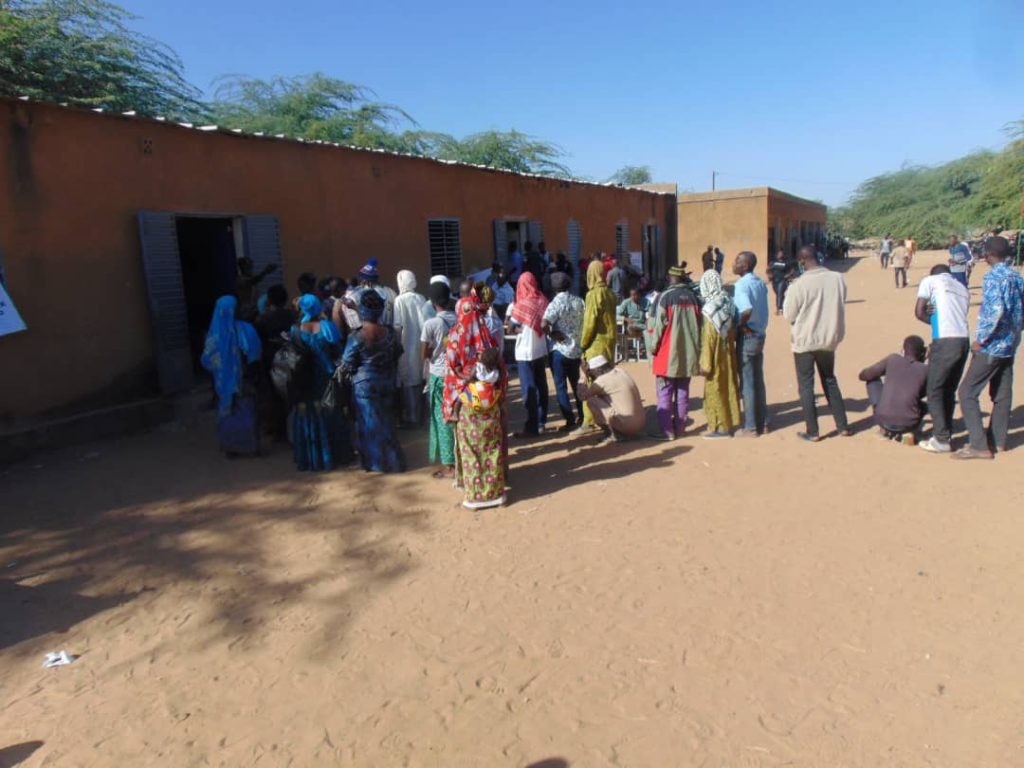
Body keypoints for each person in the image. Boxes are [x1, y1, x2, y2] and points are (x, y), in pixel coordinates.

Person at [953, 236, 1024, 459]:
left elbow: (995, 311)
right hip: (1010, 344)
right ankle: (999, 440)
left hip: (992, 346)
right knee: (1002, 394)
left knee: (966, 392)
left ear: (988, 255)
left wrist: (981, 340)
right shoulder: (1016, 275)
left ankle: (979, 445)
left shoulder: (993, 277)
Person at [444, 290, 507, 509]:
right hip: (491, 400)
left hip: (467, 403)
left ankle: (474, 495)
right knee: (492, 446)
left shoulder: (454, 337)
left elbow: (451, 372)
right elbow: (500, 368)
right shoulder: (487, 337)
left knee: (470, 448)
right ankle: (496, 493)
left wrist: (460, 390)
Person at [783, 246, 851, 442]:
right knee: (829, 379)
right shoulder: (838, 278)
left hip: (805, 340)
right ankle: (842, 426)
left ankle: (813, 431)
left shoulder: (798, 284)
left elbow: (789, 315)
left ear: (802, 262)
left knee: (806, 385)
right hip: (829, 338)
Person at [340, 291, 406, 472]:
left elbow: (347, 362)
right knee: (387, 422)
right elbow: (398, 352)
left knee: (368, 424)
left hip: (364, 387)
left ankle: (374, 463)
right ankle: (392, 461)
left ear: (362, 310)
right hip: (386, 383)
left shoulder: (357, 336)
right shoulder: (390, 332)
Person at [290, 294, 353, 471]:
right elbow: (338, 351)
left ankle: (310, 458)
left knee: (308, 414)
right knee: (331, 412)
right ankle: (336, 455)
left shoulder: (295, 329)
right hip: (326, 378)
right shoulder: (327, 327)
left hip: (303, 380)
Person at [915, 264, 970, 453]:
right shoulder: (962, 288)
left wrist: (932, 316)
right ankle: (946, 433)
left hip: (944, 340)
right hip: (963, 341)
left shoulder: (930, 281)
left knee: (935, 389)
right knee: (949, 390)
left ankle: (940, 439)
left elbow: (919, 312)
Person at [200, 295, 263, 456]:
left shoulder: (213, 336)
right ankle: (249, 446)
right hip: (245, 379)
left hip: (223, 384)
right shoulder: (246, 329)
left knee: (228, 413)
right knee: (247, 410)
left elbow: (206, 360)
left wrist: (223, 371)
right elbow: (255, 354)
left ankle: (231, 447)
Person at [650, 265, 702, 439]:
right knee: (682, 392)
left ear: (671, 278)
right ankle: (680, 428)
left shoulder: (665, 297)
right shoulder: (694, 298)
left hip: (667, 354)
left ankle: (667, 431)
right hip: (688, 355)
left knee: (665, 392)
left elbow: (658, 327)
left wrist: (653, 347)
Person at [575, 260, 618, 434]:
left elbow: (589, 323)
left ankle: (589, 420)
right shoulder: (610, 294)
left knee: (590, 382)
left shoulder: (593, 295)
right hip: (609, 344)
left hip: (595, 345)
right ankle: (610, 416)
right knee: (608, 381)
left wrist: (583, 344)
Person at [859, 335, 929, 442]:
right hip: (910, 422)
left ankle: (884, 430)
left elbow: (864, 375)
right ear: (922, 353)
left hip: (883, 420)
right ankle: (910, 432)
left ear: (903, 350)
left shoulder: (892, 359)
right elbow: (922, 393)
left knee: (872, 380)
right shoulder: (925, 370)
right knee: (924, 405)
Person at [698, 270, 742, 439]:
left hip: (716, 356)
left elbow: (709, 339)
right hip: (728, 353)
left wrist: (705, 364)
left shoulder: (709, 310)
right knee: (728, 386)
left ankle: (721, 427)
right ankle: (729, 422)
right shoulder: (728, 302)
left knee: (716, 390)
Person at [421, 281, 458, 479]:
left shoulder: (431, 324)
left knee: (442, 418)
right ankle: (462, 455)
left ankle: (449, 465)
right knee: (459, 415)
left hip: (439, 375)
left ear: (433, 302)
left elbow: (425, 353)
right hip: (457, 375)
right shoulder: (459, 318)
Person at [506, 272, 550, 436]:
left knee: (529, 390)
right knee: (541, 386)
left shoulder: (522, 304)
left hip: (525, 351)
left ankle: (531, 426)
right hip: (540, 349)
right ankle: (541, 422)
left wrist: (519, 328)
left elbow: (511, 327)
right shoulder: (543, 300)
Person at [732, 252, 770, 436]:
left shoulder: (741, 285)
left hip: (748, 336)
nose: (734, 264)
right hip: (760, 334)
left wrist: (740, 325)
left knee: (747, 382)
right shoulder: (760, 282)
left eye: (737, 261)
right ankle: (763, 422)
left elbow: (746, 309)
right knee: (758, 380)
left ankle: (751, 426)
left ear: (745, 265)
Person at [542, 271, 586, 431]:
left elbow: (543, 324)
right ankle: (582, 416)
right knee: (576, 384)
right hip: (576, 350)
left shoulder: (555, 303)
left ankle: (570, 420)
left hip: (560, 351)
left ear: (554, 288)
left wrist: (552, 333)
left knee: (561, 387)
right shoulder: (579, 301)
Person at [254, 284, 297, 441]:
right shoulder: (292, 315)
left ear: (269, 300)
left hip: (270, 361)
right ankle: (292, 429)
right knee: (291, 393)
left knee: (273, 395)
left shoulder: (262, 319)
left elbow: (258, 342)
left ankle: (278, 431)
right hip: (292, 359)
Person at [576, 355, 645, 441]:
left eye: (591, 372)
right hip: (640, 424)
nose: (590, 375)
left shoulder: (601, 381)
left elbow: (581, 396)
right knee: (604, 397)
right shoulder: (621, 371)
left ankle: (612, 434)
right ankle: (620, 430)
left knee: (591, 401)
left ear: (599, 370)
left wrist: (582, 376)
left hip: (627, 426)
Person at [392, 270, 428, 427]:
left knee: (408, 381)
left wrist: (396, 345)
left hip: (406, 345)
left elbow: (397, 326)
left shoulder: (399, 301)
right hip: (422, 343)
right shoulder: (421, 298)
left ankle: (412, 417)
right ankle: (424, 416)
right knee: (421, 377)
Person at [768, 250, 793, 315]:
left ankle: (779, 309)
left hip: (782, 280)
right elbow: (769, 270)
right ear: (777, 255)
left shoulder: (787, 262)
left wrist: (788, 275)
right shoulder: (773, 262)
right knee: (778, 294)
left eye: (781, 254)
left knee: (779, 294)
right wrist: (770, 275)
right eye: (779, 254)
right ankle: (782, 307)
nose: (780, 255)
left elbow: (792, 271)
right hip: (775, 280)